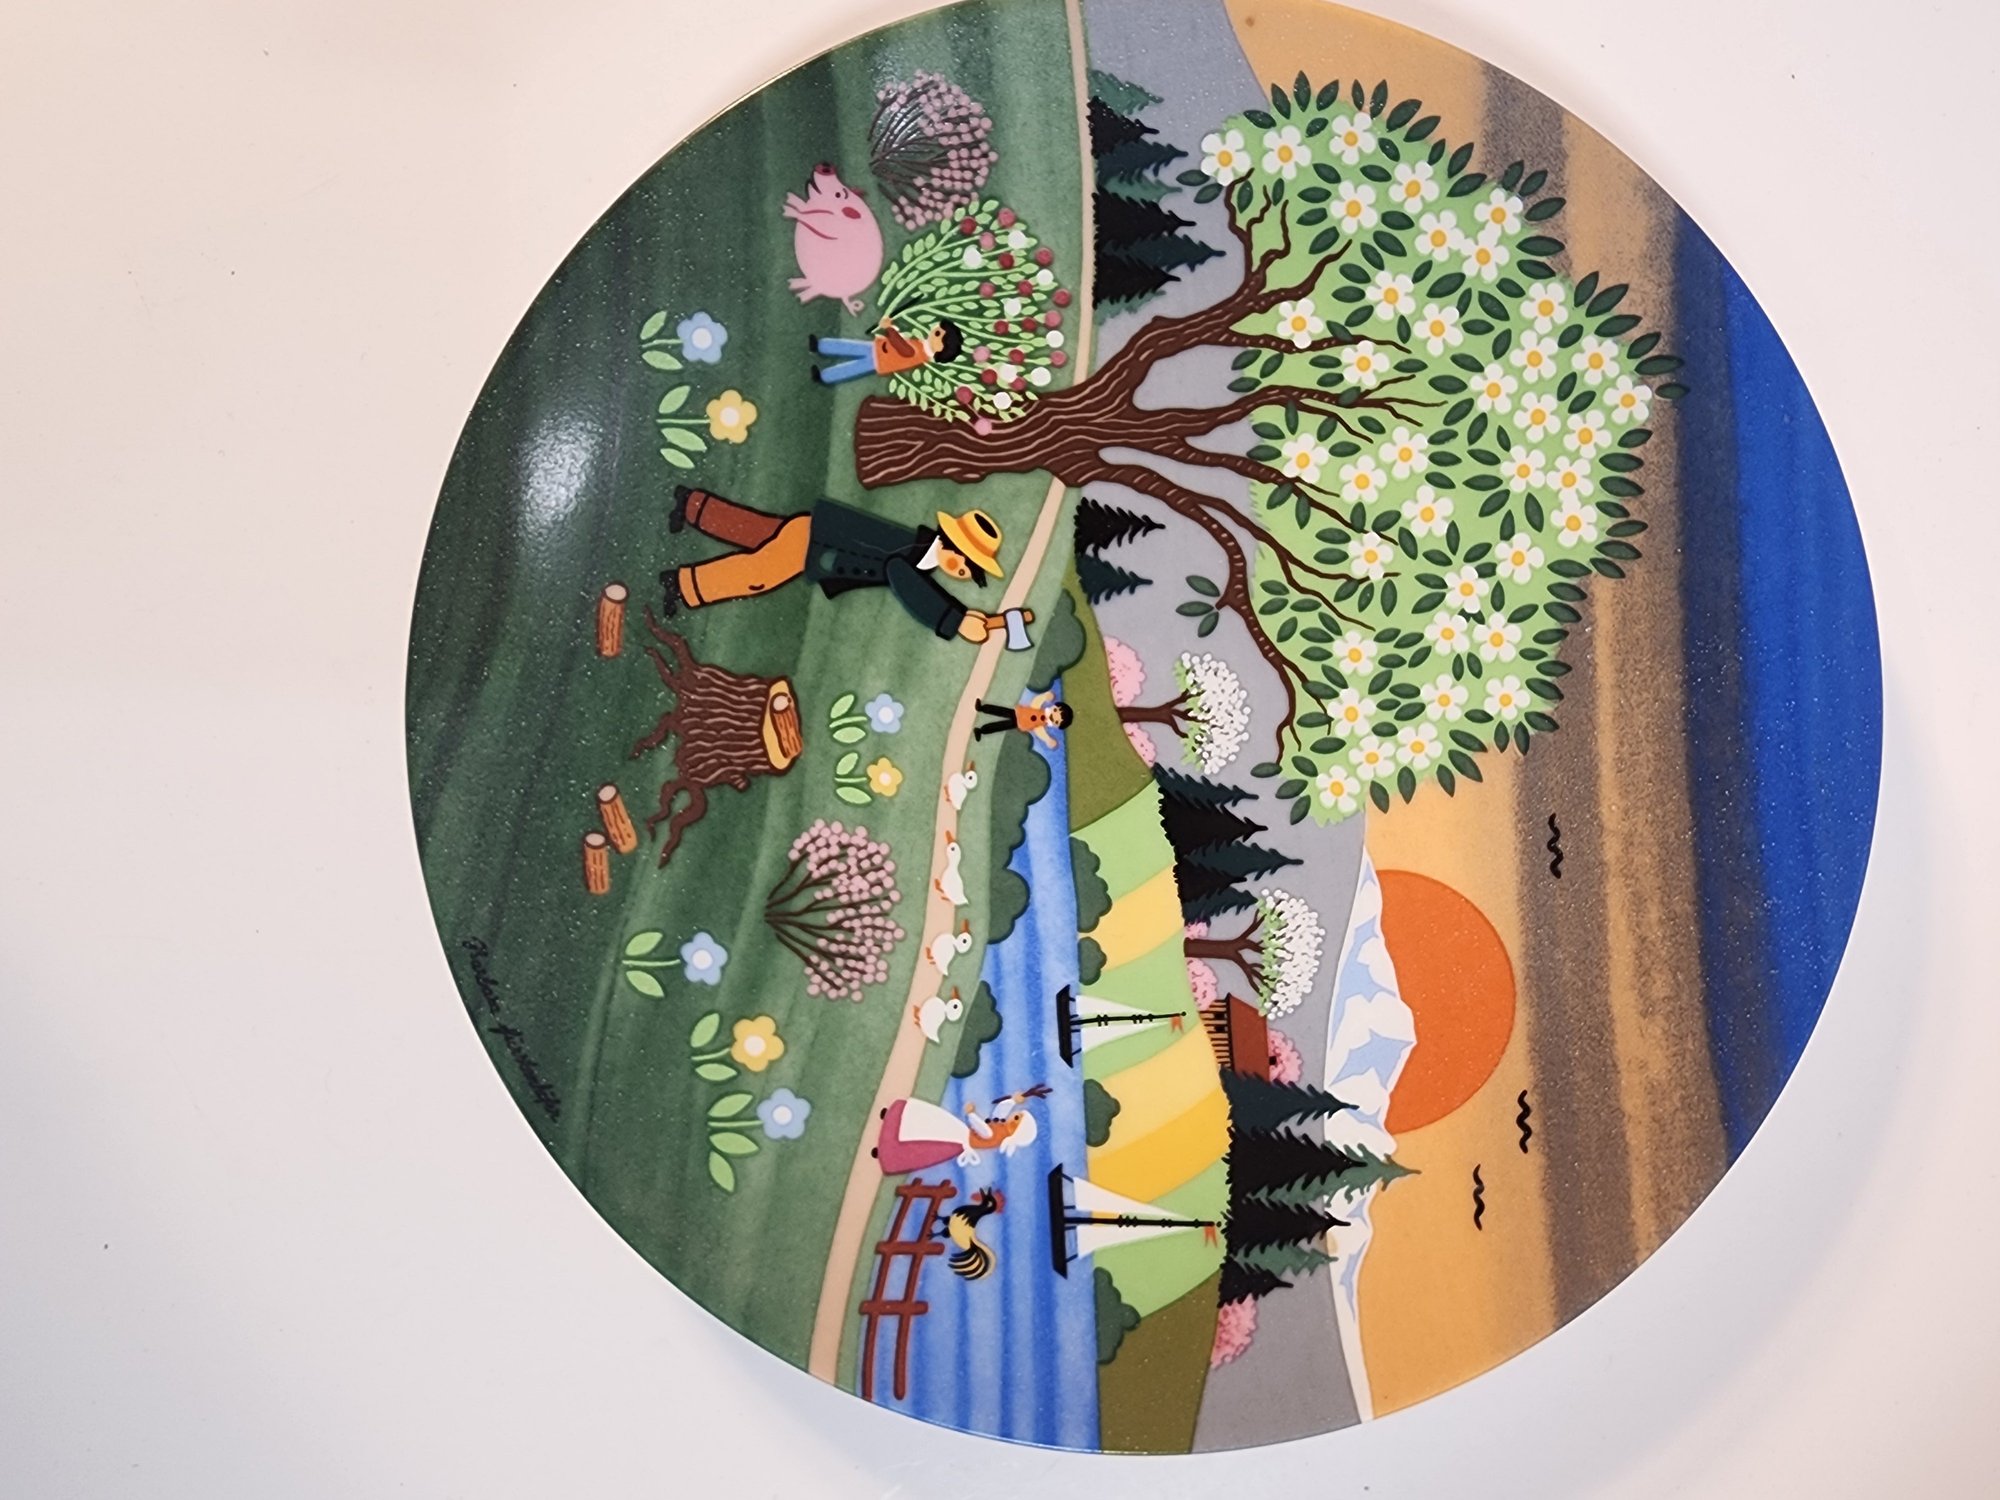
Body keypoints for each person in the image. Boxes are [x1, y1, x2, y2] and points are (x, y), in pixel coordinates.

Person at [660, 486, 1014, 644]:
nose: (959, 574)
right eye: (963, 566)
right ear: (951, 545)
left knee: (755, 531)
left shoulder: (921, 553)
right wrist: (953, 620)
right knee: (759, 574)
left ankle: (691, 504)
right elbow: (904, 580)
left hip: (814, 534)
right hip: (813, 541)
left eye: (966, 574)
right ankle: (682, 584)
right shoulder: (913, 552)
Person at [871, 1090, 1044, 1175]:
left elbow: (984, 1132)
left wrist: (971, 1115)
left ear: (1015, 1128)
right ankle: (894, 1119)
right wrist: (1013, 1101)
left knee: (929, 1138)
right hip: (963, 1133)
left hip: (962, 1137)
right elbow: (1000, 1112)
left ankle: (889, 1149)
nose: (1013, 1116)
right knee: (929, 1124)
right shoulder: (1001, 1127)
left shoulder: (999, 1135)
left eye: (1017, 1118)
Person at [809, 317, 963, 385]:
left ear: (941, 347)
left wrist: (889, 328)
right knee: (850, 347)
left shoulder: (921, 353)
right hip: (879, 349)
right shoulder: (922, 346)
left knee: (851, 368)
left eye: (938, 333)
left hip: (880, 359)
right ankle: (821, 346)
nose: (934, 330)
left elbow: (904, 349)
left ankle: (824, 376)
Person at [975, 690, 1074, 748]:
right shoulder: (1039, 710)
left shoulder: (1041, 724)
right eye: (1055, 711)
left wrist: (1047, 739)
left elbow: (1040, 732)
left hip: (1018, 724)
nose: (1052, 716)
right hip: (1017, 712)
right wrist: (1044, 697)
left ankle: (981, 731)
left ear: (1056, 725)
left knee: (998, 726)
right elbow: (1036, 702)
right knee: (999, 710)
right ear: (1054, 707)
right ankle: (981, 708)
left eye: (1056, 721)